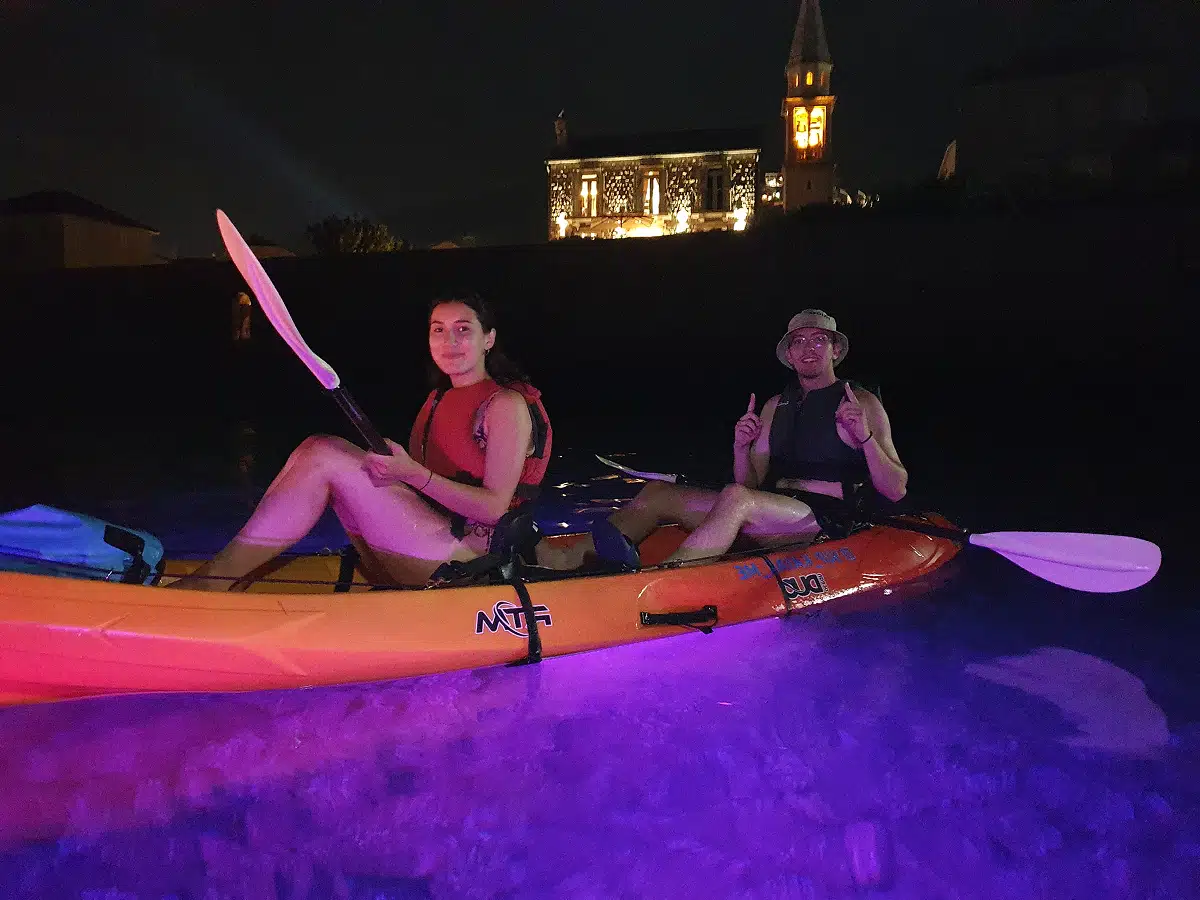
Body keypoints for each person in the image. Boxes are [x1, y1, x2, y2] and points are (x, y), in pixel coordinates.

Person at [170, 292, 551, 590]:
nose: (449, 340)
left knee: (324, 453)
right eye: (438, 329)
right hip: (420, 548)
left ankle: (214, 581)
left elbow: (495, 509)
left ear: (489, 339)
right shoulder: (437, 400)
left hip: (471, 564)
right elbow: (423, 493)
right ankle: (230, 576)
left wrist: (413, 475)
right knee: (322, 451)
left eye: (463, 329)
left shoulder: (504, 405)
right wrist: (392, 473)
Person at [548, 309, 907, 570]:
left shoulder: (861, 404)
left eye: (819, 340)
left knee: (735, 499)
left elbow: (896, 490)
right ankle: (572, 561)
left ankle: (667, 578)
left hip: (822, 519)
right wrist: (740, 448)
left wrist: (866, 438)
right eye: (798, 341)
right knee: (656, 493)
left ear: (835, 351)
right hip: (771, 509)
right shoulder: (774, 407)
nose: (808, 348)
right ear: (790, 355)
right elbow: (748, 483)